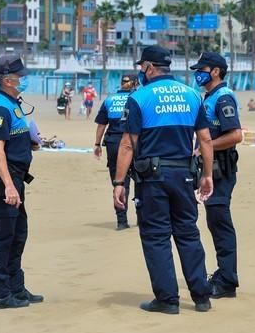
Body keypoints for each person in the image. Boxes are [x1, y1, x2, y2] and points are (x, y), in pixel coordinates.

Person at [112, 45, 214, 314]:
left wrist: (119, 183)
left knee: (156, 236)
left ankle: (168, 300)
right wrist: (207, 175)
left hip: (152, 179)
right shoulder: (192, 95)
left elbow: (126, 145)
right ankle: (201, 297)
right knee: (188, 233)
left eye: (141, 67)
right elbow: (204, 139)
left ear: (148, 67)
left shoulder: (139, 97)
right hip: (184, 175)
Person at [0, 55, 43, 309]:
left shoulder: (12, 104)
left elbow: (12, 138)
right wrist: (8, 185)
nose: (24, 79)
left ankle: (16, 287)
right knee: (5, 235)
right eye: (20, 76)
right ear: (7, 80)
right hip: (2, 180)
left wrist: (32, 143)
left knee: (18, 234)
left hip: (15, 178)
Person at [190, 52, 242, 299]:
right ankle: (224, 274)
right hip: (212, 167)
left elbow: (235, 135)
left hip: (222, 169)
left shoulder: (223, 98)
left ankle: (227, 281)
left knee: (220, 222)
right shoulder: (209, 96)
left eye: (202, 69)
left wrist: (205, 147)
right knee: (214, 220)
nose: (197, 73)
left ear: (216, 71)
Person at [93, 74, 136, 230]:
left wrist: (97, 144)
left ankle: (122, 221)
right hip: (134, 141)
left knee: (119, 181)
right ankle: (142, 217)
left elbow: (101, 125)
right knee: (142, 181)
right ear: (135, 84)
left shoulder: (109, 100)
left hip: (113, 143)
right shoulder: (137, 98)